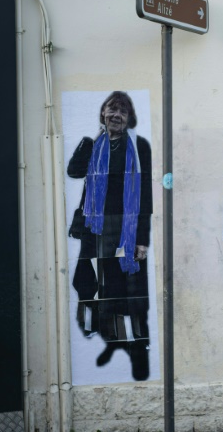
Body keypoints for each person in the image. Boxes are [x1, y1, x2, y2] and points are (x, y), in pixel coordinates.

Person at [68, 91, 153, 381]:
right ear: (103, 113)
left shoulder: (139, 147)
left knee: (124, 288)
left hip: (124, 231)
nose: (116, 115)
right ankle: (109, 338)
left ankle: (136, 346)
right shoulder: (93, 145)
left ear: (129, 119)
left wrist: (142, 238)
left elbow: (146, 195)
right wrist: (87, 144)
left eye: (122, 112)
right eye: (111, 110)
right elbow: (73, 171)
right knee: (86, 280)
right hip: (94, 228)